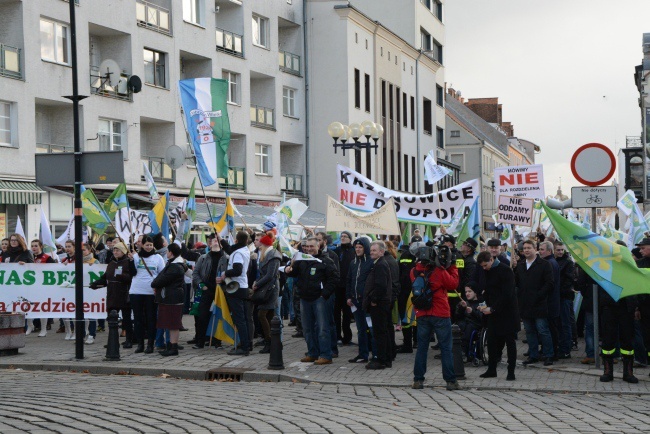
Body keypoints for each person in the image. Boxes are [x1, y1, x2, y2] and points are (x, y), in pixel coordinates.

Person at [411, 245, 460, 391]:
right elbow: (453, 284)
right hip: (440, 313)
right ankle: (451, 381)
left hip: (422, 314)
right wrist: (451, 266)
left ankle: (418, 380)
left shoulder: (413, 271)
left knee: (422, 348)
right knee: (446, 348)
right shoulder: (439, 271)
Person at [285, 237, 339, 365]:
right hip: (305, 298)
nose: (308, 249)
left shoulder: (326, 260)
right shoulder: (302, 259)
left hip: (319, 299)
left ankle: (326, 354)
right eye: (307, 246)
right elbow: (294, 272)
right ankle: (312, 353)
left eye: (311, 246)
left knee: (322, 328)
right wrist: (288, 270)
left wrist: (324, 294)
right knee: (307, 328)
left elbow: (335, 279)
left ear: (318, 246)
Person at [476, 251, 519, 380]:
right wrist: (483, 304)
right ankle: (491, 369)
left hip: (507, 312)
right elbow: (486, 290)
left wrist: (493, 308)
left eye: (485, 265)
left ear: (491, 260)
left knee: (510, 343)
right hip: (492, 313)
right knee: (492, 341)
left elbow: (507, 294)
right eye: (482, 266)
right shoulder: (486, 271)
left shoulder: (505, 271)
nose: (484, 268)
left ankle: (511, 371)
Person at [516, 239, 555, 366]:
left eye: (529, 248)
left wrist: (539, 295)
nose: (526, 250)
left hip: (539, 304)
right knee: (529, 331)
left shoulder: (544, 264)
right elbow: (516, 283)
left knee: (543, 330)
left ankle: (548, 355)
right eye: (524, 248)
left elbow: (549, 283)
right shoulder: (520, 265)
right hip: (525, 304)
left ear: (535, 249)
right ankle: (533, 355)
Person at [90, 241, 134, 348]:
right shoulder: (111, 263)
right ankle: (112, 340)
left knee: (127, 319)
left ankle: (129, 340)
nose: (115, 252)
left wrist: (121, 276)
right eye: (114, 250)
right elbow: (105, 278)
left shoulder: (128, 262)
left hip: (124, 294)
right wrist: (96, 284)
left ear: (123, 251)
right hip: (112, 294)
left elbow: (131, 277)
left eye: (117, 250)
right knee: (111, 319)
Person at [129, 235, 166, 354]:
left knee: (151, 319)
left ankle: (150, 344)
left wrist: (157, 287)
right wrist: (130, 261)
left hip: (151, 292)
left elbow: (162, 274)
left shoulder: (158, 258)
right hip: (136, 291)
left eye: (151, 245)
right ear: (142, 245)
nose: (149, 247)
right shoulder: (136, 257)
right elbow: (132, 272)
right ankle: (140, 343)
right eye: (147, 245)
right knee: (138, 318)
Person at [191, 234, 229, 349]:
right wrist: (201, 285)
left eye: (218, 240)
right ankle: (200, 341)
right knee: (202, 316)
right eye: (213, 240)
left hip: (220, 291)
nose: (216, 242)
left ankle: (217, 341)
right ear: (209, 244)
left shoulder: (226, 258)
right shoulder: (203, 257)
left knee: (219, 316)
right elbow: (195, 273)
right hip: (206, 290)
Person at [217, 231, 252, 356]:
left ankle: (244, 346)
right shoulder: (244, 250)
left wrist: (225, 274)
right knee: (244, 318)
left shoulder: (238, 253)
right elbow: (230, 249)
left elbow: (237, 270)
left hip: (236, 287)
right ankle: (247, 343)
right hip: (243, 287)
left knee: (239, 319)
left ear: (236, 240)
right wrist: (221, 240)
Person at [151, 243, 189, 357]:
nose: (166, 253)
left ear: (171, 252)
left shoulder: (175, 267)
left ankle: (173, 347)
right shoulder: (175, 264)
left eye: (167, 251)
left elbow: (160, 280)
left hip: (172, 298)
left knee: (173, 324)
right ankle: (172, 346)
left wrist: (155, 284)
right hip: (171, 297)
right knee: (171, 324)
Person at [362, 241, 393, 369]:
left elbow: (381, 285)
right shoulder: (378, 263)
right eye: (371, 250)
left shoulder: (381, 264)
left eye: (374, 250)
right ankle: (385, 358)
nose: (371, 252)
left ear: (381, 251)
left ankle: (381, 360)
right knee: (382, 331)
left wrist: (374, 300)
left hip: (380, 304)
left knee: (380, 332)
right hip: (381, 303)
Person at [346, 237, 374, 363]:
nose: (357, 249)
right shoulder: (353, 263)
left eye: (360, 247)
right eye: (356, 247)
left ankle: (376, 355)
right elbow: (349, 280)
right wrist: (348, 296)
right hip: (355, 301)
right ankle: (362, 354)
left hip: (367, 302)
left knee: (372, 329)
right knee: (360, 329)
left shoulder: (371, 262)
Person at [252, 234, 281, 354]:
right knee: (269, 316)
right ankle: (274, 342)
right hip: (268, 287)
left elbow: (270, 275)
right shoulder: (268, 254)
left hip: (270, 289)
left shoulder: (273, 255)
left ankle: (270, 342)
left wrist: (257, 284)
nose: (257, 244)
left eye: (259, 242)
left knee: (262, 315)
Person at [396, 238, 422, 354]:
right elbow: (399, 273)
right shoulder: (405, 255)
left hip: (420, 292)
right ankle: (407, 344)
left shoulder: (425, 257)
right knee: (406, 318)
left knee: (419, 317)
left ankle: (417, 341)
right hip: (405, 292)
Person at [25, 239, 53, 337]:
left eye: (36, 246)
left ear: (41, 246)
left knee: (42, 308)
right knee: (26, 306)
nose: (34, 248)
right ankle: (30, 325)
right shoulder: (28, 257)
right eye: (32, 246)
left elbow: (54, 270)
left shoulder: (47, 258)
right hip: (30, 286)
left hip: (42, 286)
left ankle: (44, 329)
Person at [539, 241, 561, 360]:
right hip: (550, 301)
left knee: (551, 329)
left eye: (542, 249)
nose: (540, 251)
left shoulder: (550, 263)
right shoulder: (550, 262)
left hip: (550, 302)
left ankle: (553, 352)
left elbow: (549, 284)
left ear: (549, 251)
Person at [554, 241, 576, 358]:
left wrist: (559, 291)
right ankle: (561, 347)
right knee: (558, 324)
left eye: (562, 249)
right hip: (557, 297)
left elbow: (569, 280)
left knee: (565, 323)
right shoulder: (555, 261)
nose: (560, 252)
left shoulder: (568, 263)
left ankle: (566, 349)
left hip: (564, 297)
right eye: (558, 250)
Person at [335, 231, 355, 345]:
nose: (342, 238)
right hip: (338, 286)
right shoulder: (337, 251)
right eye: (341, 236)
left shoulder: (353, 251)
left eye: (345, 236)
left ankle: (347, 337)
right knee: (336, 312)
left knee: (347, 313)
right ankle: (337, 335)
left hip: (348, 286)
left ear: (350, 239)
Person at [454, 282, 483, 359]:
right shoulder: (465, 303)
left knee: (469, 327)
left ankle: (463, 350)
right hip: (464, 324)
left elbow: (482, 318)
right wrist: (461, 308)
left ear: (475, 292)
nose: (467, 294)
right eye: (466, 292)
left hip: (475, 325)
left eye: (469, 291)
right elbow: (457, 316)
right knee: (457, 326)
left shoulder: (481, 303)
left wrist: (472, 312)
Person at [635, 238, 650, 371]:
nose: (640, 251)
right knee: (647, 337)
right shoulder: (639, 264)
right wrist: (637, 308)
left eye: (643, 248)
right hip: (645, 306)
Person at [58, 240, 75, 339]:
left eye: (69, 246)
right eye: (66, 246)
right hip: (65, 287)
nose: (67, 249)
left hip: (75, 287)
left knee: (76, 311)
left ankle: (77, 332)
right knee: (65, 310)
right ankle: (68, 331)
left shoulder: (79, 258)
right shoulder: (64, 259)